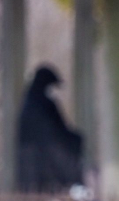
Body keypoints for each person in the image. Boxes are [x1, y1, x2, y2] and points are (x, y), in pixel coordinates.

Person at [16, 65, 83, 193]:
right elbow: (58, 130)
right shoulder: (43, 104)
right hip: (45, 156)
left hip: (36, 157)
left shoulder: (31, 102)